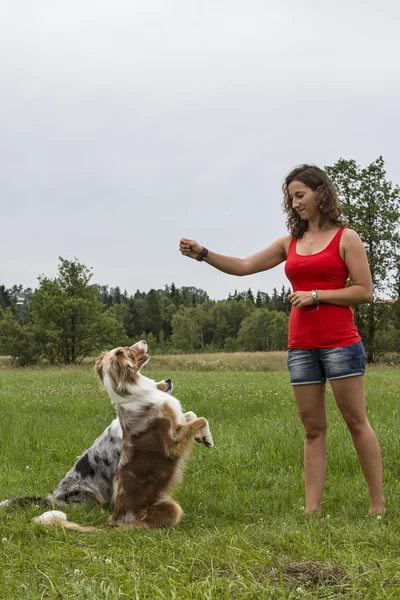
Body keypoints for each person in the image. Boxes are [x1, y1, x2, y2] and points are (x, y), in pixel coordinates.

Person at [179, 164, 385, 516]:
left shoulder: (346, 238)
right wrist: (203, 254)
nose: (294, 203)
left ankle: (377, 505)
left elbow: (364, 291)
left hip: (340, 342)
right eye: (290, 198)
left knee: (355, 421)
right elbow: (244, 266)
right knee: (312, 429)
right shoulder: (290, 243)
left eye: (300, 195)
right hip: (301, 346)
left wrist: (317, 295)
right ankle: (311, 510)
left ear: (321, 193)